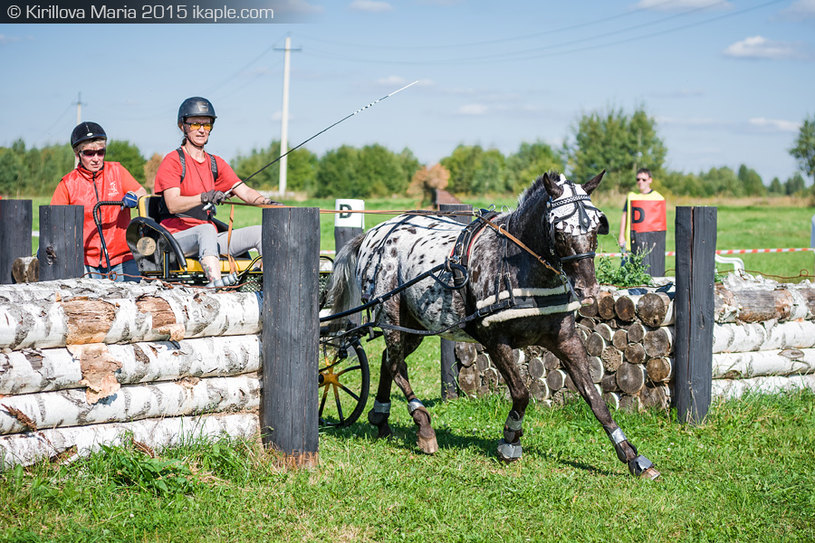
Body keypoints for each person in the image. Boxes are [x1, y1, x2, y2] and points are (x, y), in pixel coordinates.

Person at [153, 97, 278, 286]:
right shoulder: (173, 160)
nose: (202, 130)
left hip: (208, 239)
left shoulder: (215, 163)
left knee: (261, 232)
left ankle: (269, 288)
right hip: (175, 239)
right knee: (206, 229)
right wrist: (204, 197)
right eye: (195, 124)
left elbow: (243, 191)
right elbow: (172, 204)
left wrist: (267, 202)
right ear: (182, 126)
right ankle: (217, 288)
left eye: (207, 124)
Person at [51, 121, 147, 281]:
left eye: (100, 152)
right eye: (89, 153)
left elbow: (141, 192)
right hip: (85, 262)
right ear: (77, 154)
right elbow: (54, 222)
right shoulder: (67, 184)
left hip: (122, 259)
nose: (96, 159)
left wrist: (134, 197)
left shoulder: (117, 171)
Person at [617, 168, 667, 277]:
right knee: (625, 274)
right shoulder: (631, 196)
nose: (640, 182)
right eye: (638, 179)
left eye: (643, 179)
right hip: (631, 243)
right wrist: (621, 235)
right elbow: (625, 215)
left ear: (650, 180)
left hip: (649, 245)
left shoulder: (658, 197)